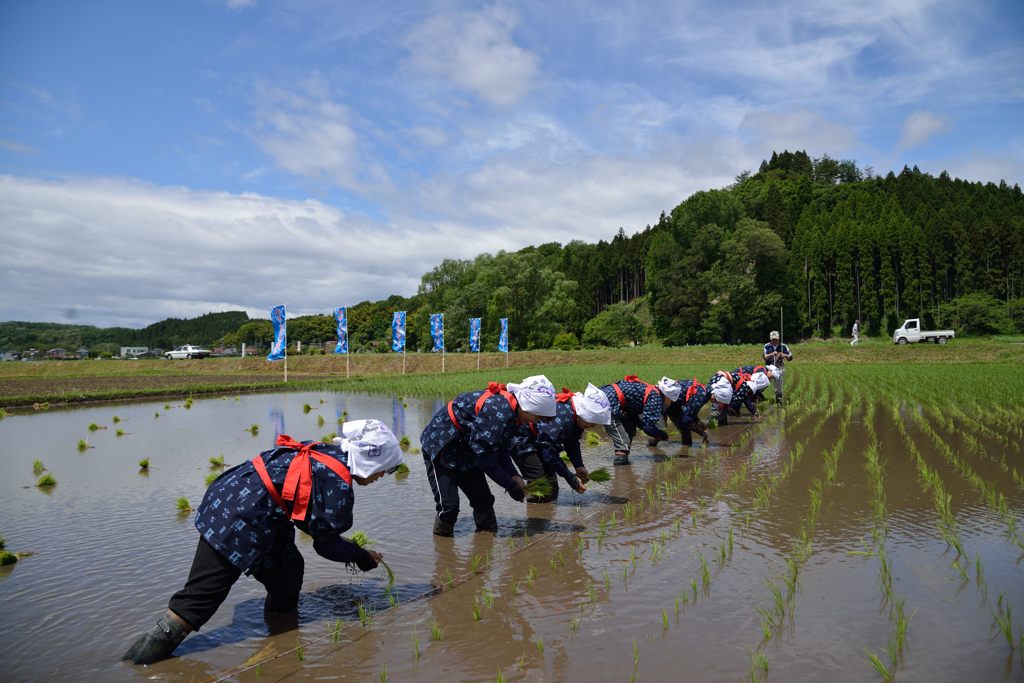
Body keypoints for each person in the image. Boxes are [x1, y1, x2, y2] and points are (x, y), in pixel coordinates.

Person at [123, 421, 404, 665]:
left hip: (253, 506)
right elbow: (326, 544)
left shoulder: (330, 452)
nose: (382, 477)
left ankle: (281, 634)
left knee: (288, 570)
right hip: (238, 516)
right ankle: (139, 666)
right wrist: (362, 557)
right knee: (198, 600)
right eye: (385, 470)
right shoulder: (339, 483)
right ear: (372, 460)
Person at [421, 375, 557, 537]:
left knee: (483, 501)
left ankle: (486, 540)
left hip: (470, 449)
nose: (536, 422)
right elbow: (486, 460)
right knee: (449, 507)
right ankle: (443, 549)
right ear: (527, 407)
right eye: (537, 417)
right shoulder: (499, 410)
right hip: (442, 445)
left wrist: (514, 475)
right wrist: (511, 485)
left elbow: (500, 448)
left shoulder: (515, 414)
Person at [512, 383, 613, 502]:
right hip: (522, 439)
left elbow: (572, 442)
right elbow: (549, 454)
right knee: (539, 479)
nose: (592, 426)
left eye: (594, 423)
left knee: (551, 489)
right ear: (583, 413)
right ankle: (536, 516)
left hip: (541, 440)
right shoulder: (563, 419)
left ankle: (544, 513)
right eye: (590, 422)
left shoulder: (578, 417)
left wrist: (578, 465)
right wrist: (570, 478)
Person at [599, 376, 681, 466]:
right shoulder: (656, 398)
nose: (672, 403)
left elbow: (635, 418)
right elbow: (648, 428)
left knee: (630, 429)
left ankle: (624, 462)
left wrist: (650, 430)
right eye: (672, 401)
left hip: (610, 400)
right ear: (667, 396)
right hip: (606, 403)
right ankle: (621, 470)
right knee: (623, 442)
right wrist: (661, 434)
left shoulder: (652, 392)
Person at [653, 377, 712, 447]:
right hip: (673, 403)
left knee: (684, 424)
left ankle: (687, 447)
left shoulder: (699, 396)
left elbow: (689, 418)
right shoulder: (657, 396)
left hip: (675, 402)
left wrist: (703, 432)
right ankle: (656, 440)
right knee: (662, 424)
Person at [763, 331, 793, 404]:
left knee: (778, 388)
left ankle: (779, 402)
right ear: (770, 339)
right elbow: (765, 357)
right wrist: (772, 354)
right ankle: (757, 396)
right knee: (764, 383)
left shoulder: (783, 346)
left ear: (779, 339)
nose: (774, 341)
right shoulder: (766, 346)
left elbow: (790, 357)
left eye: (776, 339)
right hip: (769, 367)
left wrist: (784, 355)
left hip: (779, 368)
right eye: (773, 339)